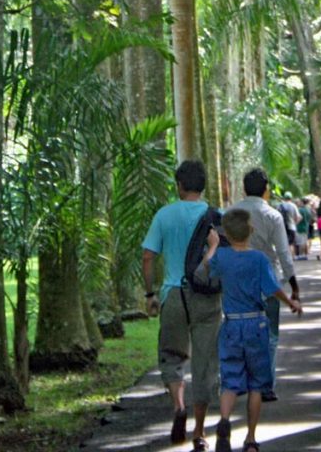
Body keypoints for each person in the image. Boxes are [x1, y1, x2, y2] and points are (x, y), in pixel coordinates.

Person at [197, 209, 302, 452]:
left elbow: (204, 269)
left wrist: (212, 245)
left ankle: (224, 422)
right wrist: (291, 303)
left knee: (230, 380)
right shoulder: (258, 260)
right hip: (256, 323)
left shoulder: (221, 257)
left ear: (226, 233)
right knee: (256, 383)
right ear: (251, 231)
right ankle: (251, 439)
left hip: (231, 324)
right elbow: (273, 289)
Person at [141, 160, 221, 451]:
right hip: (207, 297)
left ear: (179, 185)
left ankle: (178, 405)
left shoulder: (164, 215)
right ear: (202, 186)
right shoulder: (215, 216)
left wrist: (150, 294)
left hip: (173, 294)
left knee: (171, 356)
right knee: (204, 362)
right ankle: (199, 432)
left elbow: (148, 256)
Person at [231, 168, 301, 401]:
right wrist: (294, 286)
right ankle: (265, 385)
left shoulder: (232, 213)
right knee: (269, 333)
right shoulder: (272, 216)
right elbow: (283, 252)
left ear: (244, 189)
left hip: (239, 281)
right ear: (266, 190)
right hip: (267, 280)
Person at [277, 190, 301, 257]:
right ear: (291, 198)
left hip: (282, 227)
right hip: (291, 227)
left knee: (284, 243)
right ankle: (291, 257)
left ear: (284, 198)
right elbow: (298, 217)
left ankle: (285, 257)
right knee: (291, 243)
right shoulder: (293, 206)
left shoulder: (280, 205)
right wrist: (295, 223)